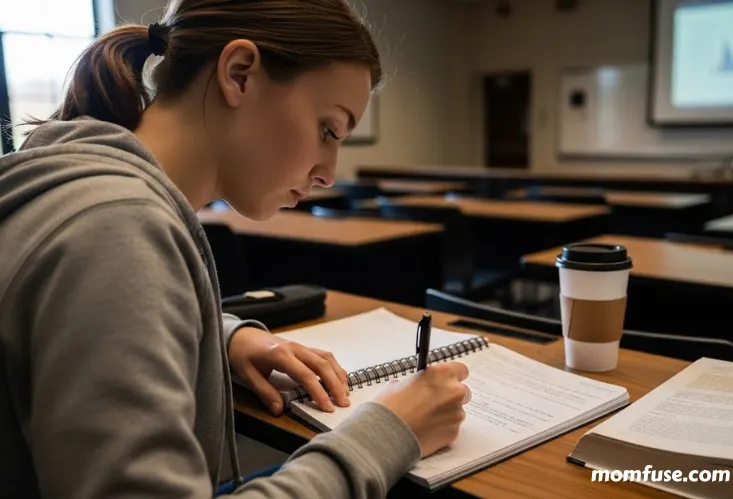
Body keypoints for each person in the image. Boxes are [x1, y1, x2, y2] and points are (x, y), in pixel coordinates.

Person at [0, 1, 473, 497]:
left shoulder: (82, 185)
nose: (330, 173)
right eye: (328, 130)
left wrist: (221, 337)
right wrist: (389, 433)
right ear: (240, 74)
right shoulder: (117, 227)